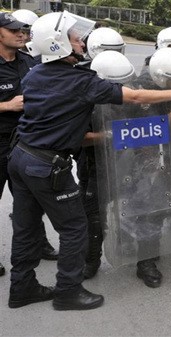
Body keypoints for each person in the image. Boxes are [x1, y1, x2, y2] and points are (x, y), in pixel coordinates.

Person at [7, 11, 171, 310]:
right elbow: (133, 97)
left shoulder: (34, 73)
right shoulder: (80, 81)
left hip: (21, 157)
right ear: (58, 45)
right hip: (47, 164)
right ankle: (68, 291)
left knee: (26, 227)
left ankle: (22, 288)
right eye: (73, 37)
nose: (80, 41)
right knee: (75, 228)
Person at [1, 12, 60, 280]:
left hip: (25, 144)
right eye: (13, 30)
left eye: (22, 30)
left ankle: (40, 243)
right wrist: (6, 105)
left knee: (30, 201)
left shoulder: (27, 61)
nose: (20, 34)